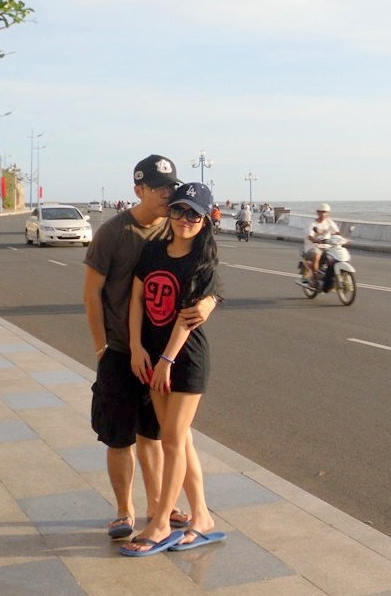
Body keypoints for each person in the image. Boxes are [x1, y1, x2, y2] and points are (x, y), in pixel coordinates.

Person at [83, 155, 216, 541]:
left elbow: (203, 276)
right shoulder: (114, 232)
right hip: (121, 349)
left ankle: (161, 506)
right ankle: (124, 510)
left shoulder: (175, 228)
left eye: (171, 187)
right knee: (119, 435)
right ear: (138, 190)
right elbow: (91, 294)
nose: (167, 196)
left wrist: (210, 302)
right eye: (158, 188)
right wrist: (102, 349)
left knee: (156, 436)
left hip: (160, 354)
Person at [120, 182, 226, 556]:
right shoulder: (153, 251)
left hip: (185, 360)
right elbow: (137, 300)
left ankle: (162, 522)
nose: (184, 219)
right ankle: (202, 517)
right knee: (179, 439)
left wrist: (166, 361)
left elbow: (186, 319)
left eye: (194, 214)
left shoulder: (202, 263)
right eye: (179, 210)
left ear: (205, 220)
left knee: (172, 441)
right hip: (152, 357)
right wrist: (137, 347)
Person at [303, 203, 341, 286]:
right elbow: (310, 236)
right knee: (317, 255)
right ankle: (314, 278)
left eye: (325, 212)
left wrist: (342, 239)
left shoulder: (329, 222)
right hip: (312, 247)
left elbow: (337, 232)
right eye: (321, 212)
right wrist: (316, 241)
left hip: (326, 246)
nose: (323, 214)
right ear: (318, 212)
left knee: (337, 256)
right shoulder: (312, 223)